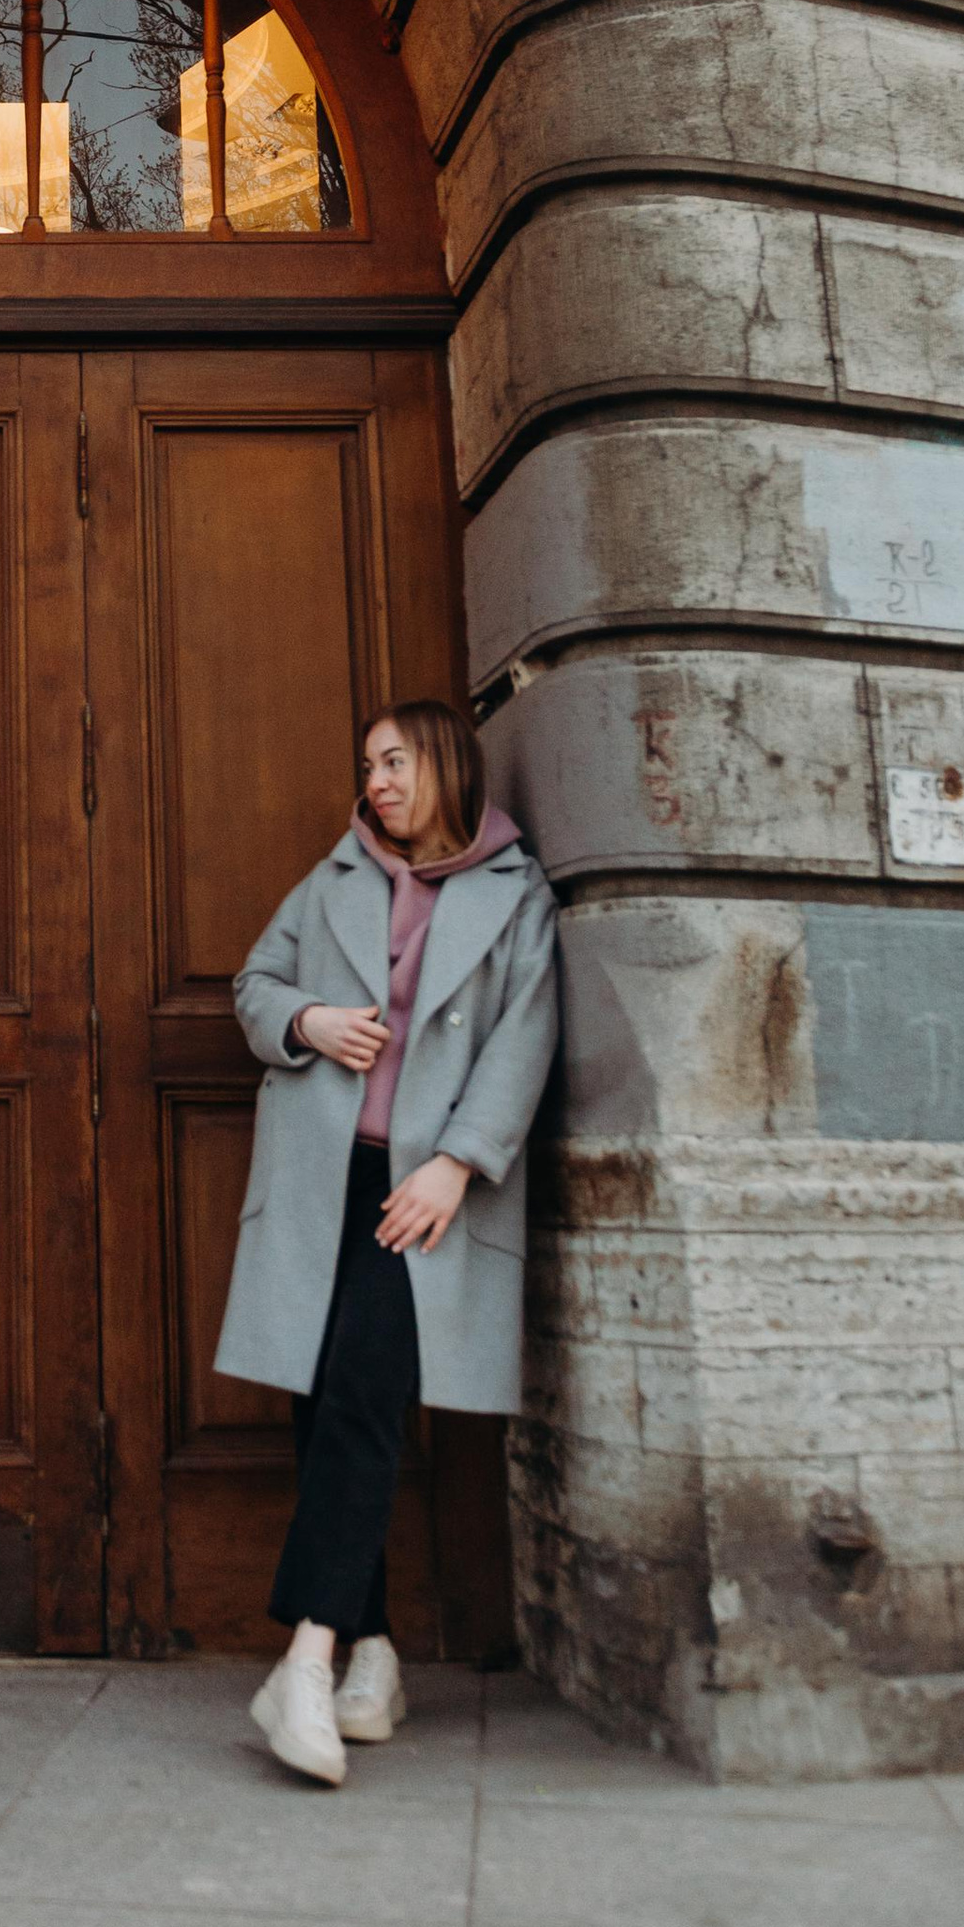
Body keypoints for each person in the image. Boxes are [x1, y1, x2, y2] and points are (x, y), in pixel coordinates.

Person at [216, 698, 557, 1787]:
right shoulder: (336, 877)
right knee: (324, 1409)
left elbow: (525, 1038)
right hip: (324, 1177)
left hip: (426, 1187)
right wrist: (307, 1022)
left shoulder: (517, 893)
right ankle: (373, 1654)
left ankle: (304, 1663)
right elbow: (254, 986)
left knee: (365, 1398)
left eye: (396, 761)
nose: (377, 783)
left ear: (446, 763)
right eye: (368, 765)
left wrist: (458, 1163)